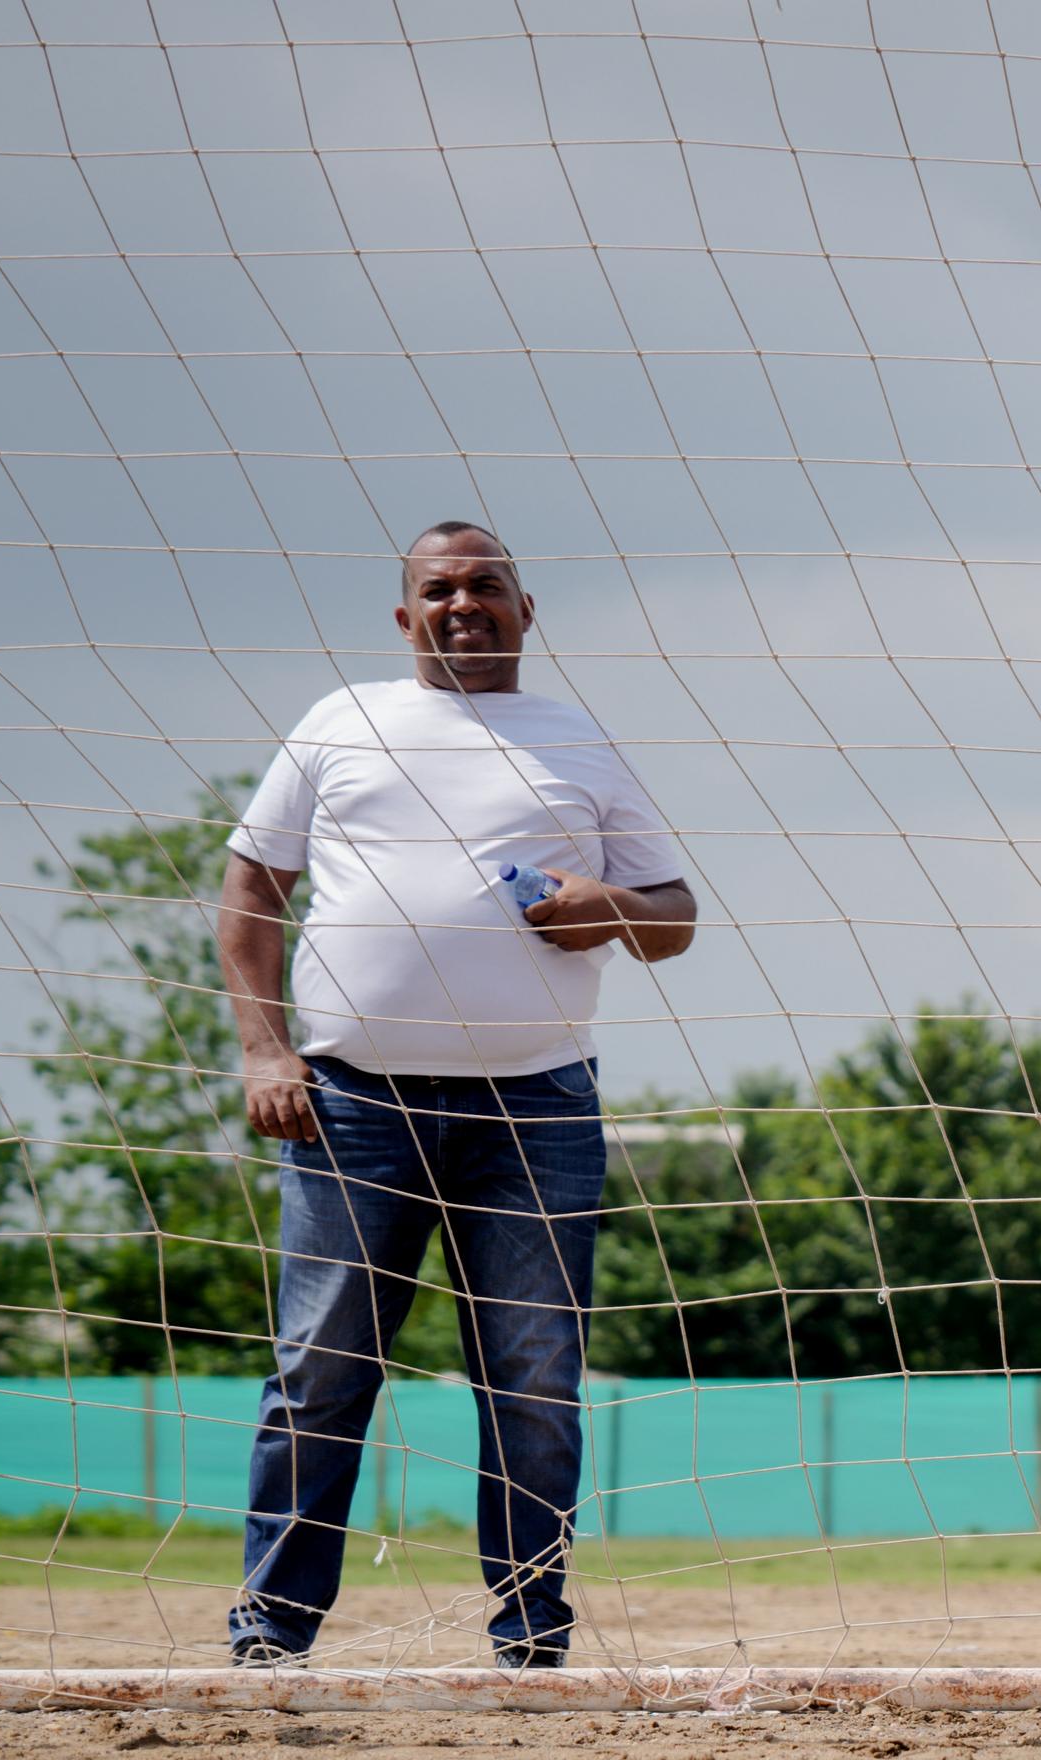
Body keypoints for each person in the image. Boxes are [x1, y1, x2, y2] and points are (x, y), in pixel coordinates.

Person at [216, 520, 695, 1668]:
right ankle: (270, 1635)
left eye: (487, 586)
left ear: (529, 612)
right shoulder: (342, 721)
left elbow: (673, 914)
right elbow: (250, 887)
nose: (463, 603)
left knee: (533, 1375)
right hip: (352, 1103)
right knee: (321, 1367)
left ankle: (532, 1635)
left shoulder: (578, 740)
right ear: (404, 617)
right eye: (439, 589)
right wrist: (264, 1050)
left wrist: (605, 906)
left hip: (535, 1110)